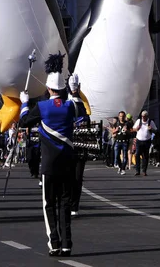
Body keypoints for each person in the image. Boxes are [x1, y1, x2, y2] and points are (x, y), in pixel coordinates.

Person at [19, 52, 76, 257]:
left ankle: (55, 243)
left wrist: (24, 103)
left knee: (48, 204)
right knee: (65, 203)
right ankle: (67, 243)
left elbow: (24, 122)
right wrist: (74, 90)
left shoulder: (42, 107)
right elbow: (81, 109)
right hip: (68, 164)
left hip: (49, 165)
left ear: (49, 88)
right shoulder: (70, 106)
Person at [68, 73, 90, 217]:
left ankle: (69, 202)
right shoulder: (83, 108)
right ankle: (74, 204)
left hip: (67, 146)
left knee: (68, 176)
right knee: (77, 177)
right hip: (81, 147)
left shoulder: (66, 106)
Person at [132, 110, 157, 176]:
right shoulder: (138, 121)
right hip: (139, 140)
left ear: (147, 116)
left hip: (147, 140)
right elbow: (133, 129)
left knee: (145, 156)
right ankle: (137, 170)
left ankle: (144, 170)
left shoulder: (150, 122)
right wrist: (136, 128)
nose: (143, 118)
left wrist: (151, 129)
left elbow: (156, 131)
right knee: (137, 155)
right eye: (142, 116)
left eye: (144, 116)